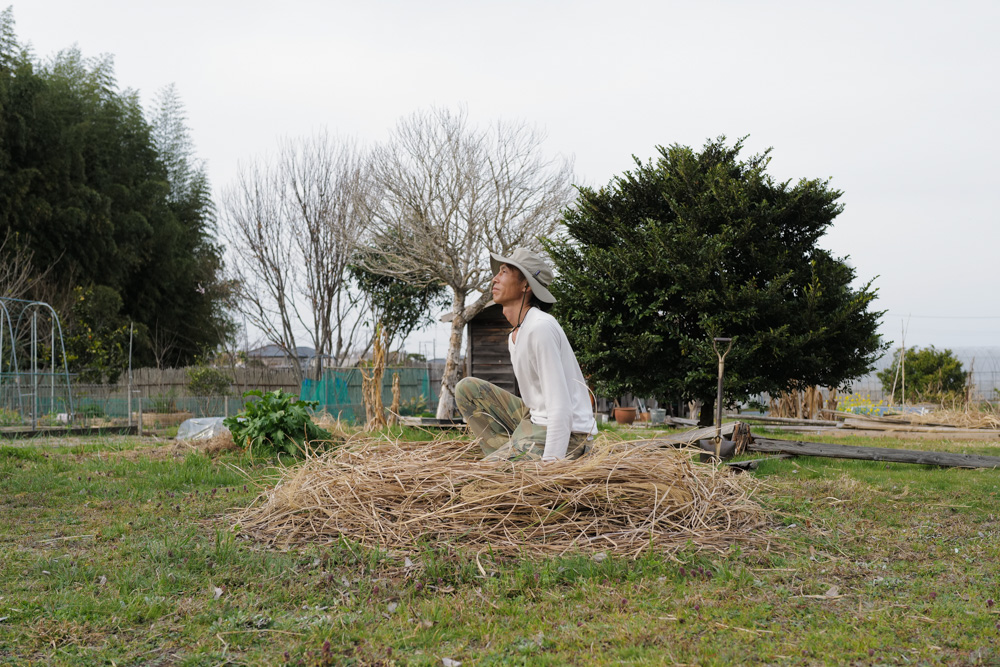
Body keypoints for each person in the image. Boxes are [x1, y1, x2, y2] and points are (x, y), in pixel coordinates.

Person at [455, 247, 597, 462]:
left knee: (480, 477)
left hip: (570, 434)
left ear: (526, 285)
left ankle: (509, 464)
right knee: (467, 389)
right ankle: (510, 456)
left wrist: (551, 463)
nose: (494, 279)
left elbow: (561, 406)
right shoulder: (516, 333)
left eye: (504, 272)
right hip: (533, 419)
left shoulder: (540, 327)